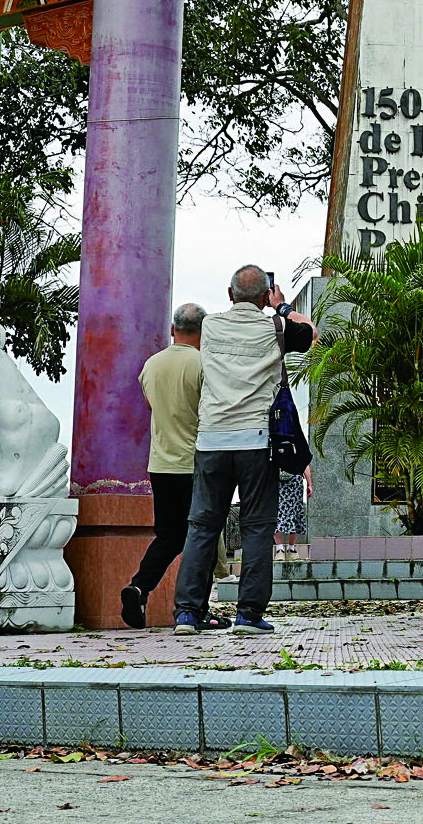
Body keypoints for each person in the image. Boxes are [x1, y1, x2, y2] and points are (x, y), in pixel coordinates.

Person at [174, 268, 312, 636]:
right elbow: (311, 332)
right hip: (256, 442)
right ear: (266, 295)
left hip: (212, 441)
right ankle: (249, 615)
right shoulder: (276, 329)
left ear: (230, 294)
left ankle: (187, 613)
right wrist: (281, 308)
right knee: (256, 529)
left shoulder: (211, 326)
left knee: (202, 527)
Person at [121, 302, 205, 629]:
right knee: (200, 537)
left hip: (160, 464)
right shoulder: (203, 364)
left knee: (168, 536)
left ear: (173, 329)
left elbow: (149, 406)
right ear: (202, 332)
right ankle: (195, 609)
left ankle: (139, 587)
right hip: (194, 465)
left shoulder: (151, 365)